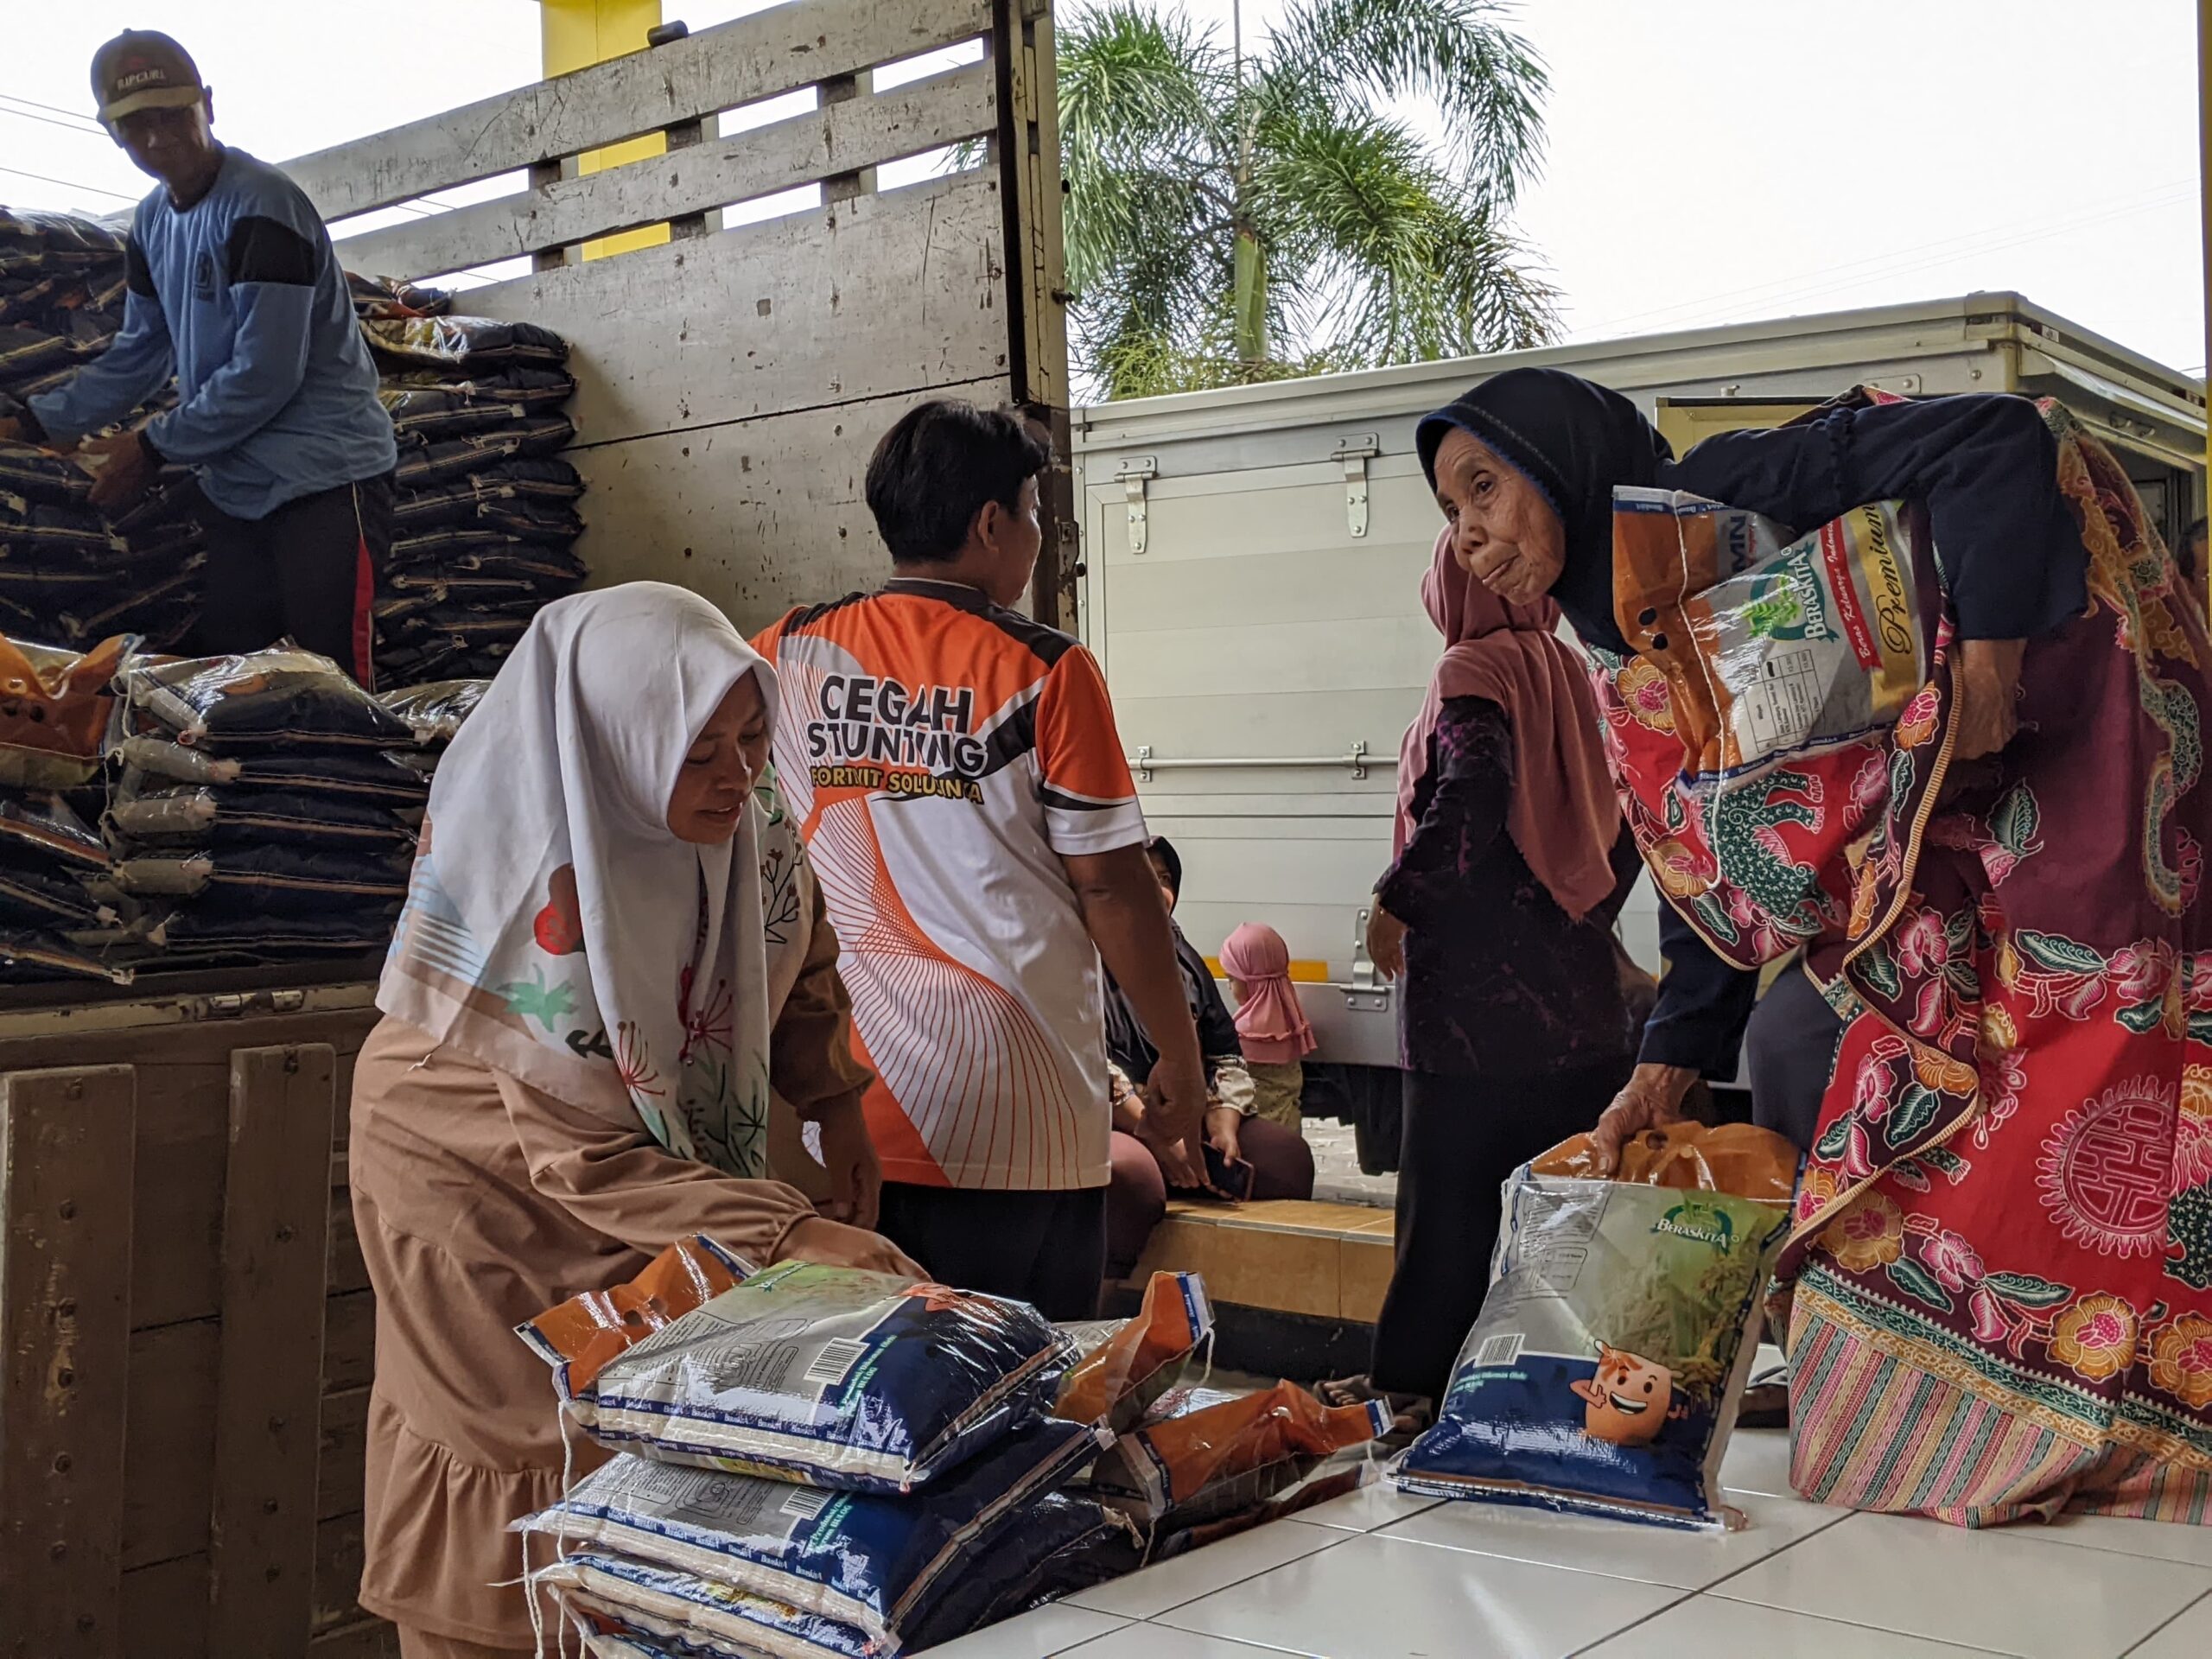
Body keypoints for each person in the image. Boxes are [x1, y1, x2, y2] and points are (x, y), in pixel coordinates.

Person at [1414, 365, 2212, 1527]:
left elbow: (1997, 440)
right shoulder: (1626, 640)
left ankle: (2118, 1409)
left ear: (1557, 460)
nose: (1469, 533)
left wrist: (1986, 660)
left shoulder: (1718, 498)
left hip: (2076, 781)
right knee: (1878, 1078)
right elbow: (1725, 871)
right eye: (1450, 510)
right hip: (1966, 865)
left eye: (1484, 487)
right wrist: (1665, 1067)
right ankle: (1975, 1409)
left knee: (2081, 1050)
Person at [348, 584, 921, 1658]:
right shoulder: (530, 877)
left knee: (658, 1401)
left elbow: (796, 943)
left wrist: (835, 1102)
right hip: (474, 1167)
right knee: (521, 1420)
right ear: (615, 744)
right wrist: (788, 1233)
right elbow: (588, 1166)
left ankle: (637, 1611)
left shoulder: (744, 815)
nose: (736, 774)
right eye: (698, 752)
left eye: (751, 737)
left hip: (634, 1145)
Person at [753, 400, 1206, 1320]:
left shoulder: (786, 649)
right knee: (1026, 1375)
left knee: (876, 1379)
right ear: (991, 524)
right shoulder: (1045, 671)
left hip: (845, 1106)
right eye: (1033, 514)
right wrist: (1179, 1052)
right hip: (1018, 1109)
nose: (1037, 538)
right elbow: (1114, 887)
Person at [1320, 524, 1641, 1423]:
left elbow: (1472, 793)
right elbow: (1628, 821)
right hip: (1578, 1002)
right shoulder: (1571, 670)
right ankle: (1554, 1391)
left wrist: (1400, 898)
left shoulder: (1472, 669)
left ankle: (1413, 1390)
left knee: (1447, 1211)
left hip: (1471, 1010)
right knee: (1558, 1216)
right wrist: (1586, 921)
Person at [0, 31, 397, 681]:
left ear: (207, 104)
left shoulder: (263, 206)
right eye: (136, 126)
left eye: (172, 115)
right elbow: (139, 352)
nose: (158, 138)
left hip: (325, 480)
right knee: (235, 683)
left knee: (333, 679)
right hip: (237, 492)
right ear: (113, 134)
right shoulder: (152, 223)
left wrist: (150, 447)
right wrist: (37, 424)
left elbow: (267, 372)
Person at [1103, 837, 1317, 1281]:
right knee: (1131, 1178)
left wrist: (1224, 1122)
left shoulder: (1183, 957)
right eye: (1144, 877)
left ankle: (1252, 1293)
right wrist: (1156, 1133)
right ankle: (1109, 1299)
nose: (1159, 890)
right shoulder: (1078, 956)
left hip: (1187, 1113)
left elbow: (1224, 1049)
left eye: (1165, 878)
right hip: (1111, 1119)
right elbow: (1084, 1063)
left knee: (1286, 1160)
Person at [1219, 919, 1315, 1128]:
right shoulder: (1291, 1022)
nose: (1229, 986)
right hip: (1290, 1130)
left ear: (1252, 981)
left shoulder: (1245, 1033)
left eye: (1232, 979)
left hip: (1256, 1137)